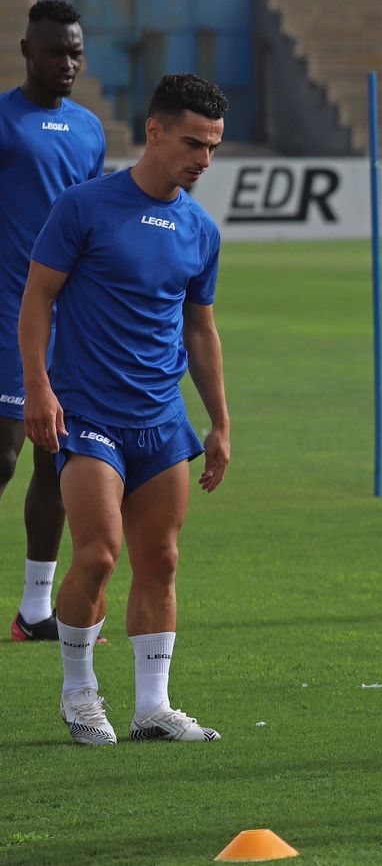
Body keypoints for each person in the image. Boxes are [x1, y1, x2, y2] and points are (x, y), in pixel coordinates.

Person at [22, 73, 231, 745]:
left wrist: (220, 420)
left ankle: (152, 706)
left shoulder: (200, 229)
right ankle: (79, 691)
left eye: (214, 148)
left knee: (162, 559)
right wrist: (38, 387)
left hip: (162, 420)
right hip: (87, 414)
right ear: (155, 131)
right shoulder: (84, 207)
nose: (203, 159)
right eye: (194, 143)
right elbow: (37, 299)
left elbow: (201, 328)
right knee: (99, 554)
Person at [3, 0, 104, 642]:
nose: (66, 63)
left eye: (75, 51)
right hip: (6, 314)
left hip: (69, 324)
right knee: (3, 457)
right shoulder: (3, 121)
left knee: (53, 461)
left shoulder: (91, 129)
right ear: (26, 52)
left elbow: (89, 223)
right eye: (53, 52)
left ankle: (35, 610)